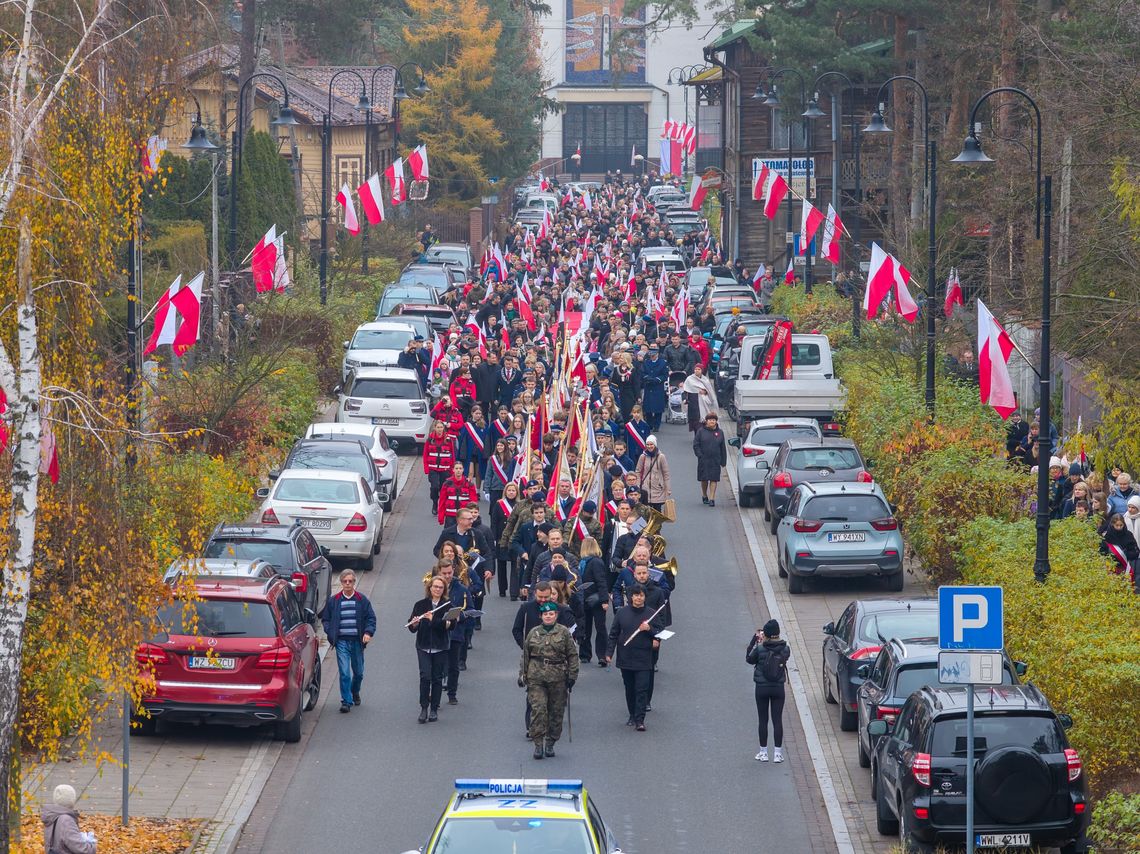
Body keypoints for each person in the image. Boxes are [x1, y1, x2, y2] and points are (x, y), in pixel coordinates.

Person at [519, 601, 579, 759]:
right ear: (541, 616)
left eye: (551, 614)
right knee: (538, 710)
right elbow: (525, 655)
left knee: (556, 712)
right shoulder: (533, 633)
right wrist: (522, 674)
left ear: (556, 615)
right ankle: (538, 744)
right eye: (545, 614)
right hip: (536, 677)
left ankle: (551, 742)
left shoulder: (564, 632)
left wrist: (572, 676)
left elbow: (572, 655)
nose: (548, 616)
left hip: (558, 677)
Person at [606, 584, 662, 730]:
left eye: (641, 595)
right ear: (631, 597)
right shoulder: (622, 613)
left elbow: (659, 633)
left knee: (641, 689)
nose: (638, 598)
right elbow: (613, 634)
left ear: (645, 597)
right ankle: (632, 714)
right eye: (636, 595)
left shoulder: (651, 613)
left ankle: (640, 720)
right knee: (630, 688)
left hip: (644, 658)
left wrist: (649, 629)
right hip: (626, 657)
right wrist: (609, 653)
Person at [321, 569, 377, 713]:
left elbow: (371, 618)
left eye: (350, 581)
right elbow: (325, 619)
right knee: (345, 673)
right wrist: (330, 632)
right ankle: (346, 701)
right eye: (345, 581)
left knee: (359, 673)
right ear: (341, 582)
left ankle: (354, 691)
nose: (347, 584)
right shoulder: (334, 601)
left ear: (354, 582)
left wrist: (368, 632)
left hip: (357, 642)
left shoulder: (361, 600)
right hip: (341, 642)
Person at [408, 575, 456, 723]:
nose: (437, 589)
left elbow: (451, 626)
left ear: (444, 590)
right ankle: (424, 708)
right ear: (429, 588)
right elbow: (412, 628)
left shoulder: (448, 606)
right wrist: (414, 623)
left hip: (440, 647)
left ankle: (434, 709)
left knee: (437, 678)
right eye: (435, 586)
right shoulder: (420, 605)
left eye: (441, 587)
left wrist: (433, 620)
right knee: (425, 677)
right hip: (423, 646)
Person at [746, 619, 790, 762]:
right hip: (778, 688)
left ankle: (763, 752)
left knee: (763, 720)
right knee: (777, 720)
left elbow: (749, 659)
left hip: (762, 688)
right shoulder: (785, 649)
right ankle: (777, 754)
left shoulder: (760, 649)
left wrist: (755, 641)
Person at [576, 536, 611, 665]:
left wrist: (604, 600)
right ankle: (585, 654)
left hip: (596, 600)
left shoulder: (595, 562)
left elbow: (601, 581)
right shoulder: (584, 562)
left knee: (599, 628)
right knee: (585, 627)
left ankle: (602, 655)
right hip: (585, 599)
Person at [41, 784, 96, 854]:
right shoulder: (66, 820)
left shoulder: (52, 815)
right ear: (72, 800)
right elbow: (81, 848)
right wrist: (92, 846)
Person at [692, 411, 727, 506]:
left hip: (715, 460)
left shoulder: (720, 432)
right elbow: (696, 445)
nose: (712, 421)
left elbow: (722, 447)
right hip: (704, 460)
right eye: (710, 420)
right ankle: (704, 495)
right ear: (706, 421)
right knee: (704, 479)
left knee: (714, 479)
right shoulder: (701, 431)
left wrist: (723, 461)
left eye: (714, 420)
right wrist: (699, 455)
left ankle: (712, 498)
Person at [423, 421, 456, 516]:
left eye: (441, 427)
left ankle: (441, 506)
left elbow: (452, 455)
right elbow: (425, 454)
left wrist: (452, 469)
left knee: (443, 489)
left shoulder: (448, 440)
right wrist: (426, 468)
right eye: (438, 427)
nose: (440, 429)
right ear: (435, 428)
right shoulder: (430, 440)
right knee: (434, 487)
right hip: (433, 469)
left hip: (445, 469)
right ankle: (434, 502)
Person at [635, 435, 672, 512]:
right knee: (646, 512)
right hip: (645, 489)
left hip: (658, 489)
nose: (649, 446)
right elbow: (638, 471)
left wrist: (668, 489)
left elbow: (666, 474)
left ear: (655, 445)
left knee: (657, 512)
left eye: (651, 444)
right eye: (647, 444)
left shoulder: (661, 457)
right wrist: (638, 484)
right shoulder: (643, 457)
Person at [681, 362, 717, 432]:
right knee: (695, 423)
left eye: (699, 369)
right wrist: (684, 399)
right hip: (693, 403)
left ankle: (702, 435)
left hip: (703, 404)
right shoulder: (689, 379)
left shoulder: (705, 380)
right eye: (696, 369)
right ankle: (697, 436)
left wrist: (705, 392)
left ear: (702, 371)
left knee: (703, 423)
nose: (697, 371)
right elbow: (684, 390)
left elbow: (710, 392)